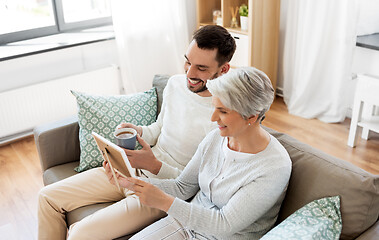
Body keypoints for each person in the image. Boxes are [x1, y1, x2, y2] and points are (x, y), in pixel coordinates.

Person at [37, 25, 236, 240]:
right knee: (47, 197)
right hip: (131, 170)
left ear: (223, 69)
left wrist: (154, 166)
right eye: (187, 61)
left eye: (201, 68)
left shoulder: (224, 118)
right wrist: (138, 130)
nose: (189, 73)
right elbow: (159, 128)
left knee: (81, 234)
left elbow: (196, 186)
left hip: (163, 190)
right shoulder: (175, 84)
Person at [109, 67, 292, 240]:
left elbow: (223, 224)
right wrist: (131, 182)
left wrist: (164, 202)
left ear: (252, 116)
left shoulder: (274, 167)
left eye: (223, 111)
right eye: (214, 107)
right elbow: (182, 187)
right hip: (183, 223)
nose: (213, 118)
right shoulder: (215, 138)